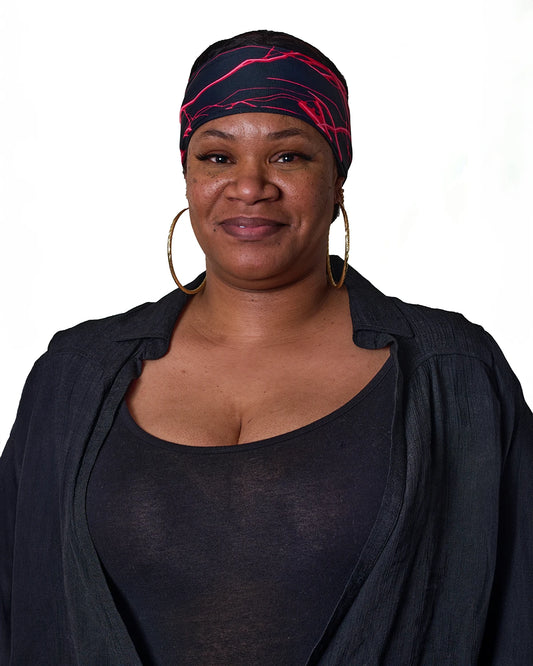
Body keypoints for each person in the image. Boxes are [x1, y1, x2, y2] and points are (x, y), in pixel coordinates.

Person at [1, 29, 532, 666]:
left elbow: (519, 614)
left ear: (338, 178)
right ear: (187, 176)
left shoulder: (457, 378)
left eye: (289, 157)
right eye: (217, 158)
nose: (250, 186)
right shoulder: (73, 376)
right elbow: (17, 608)